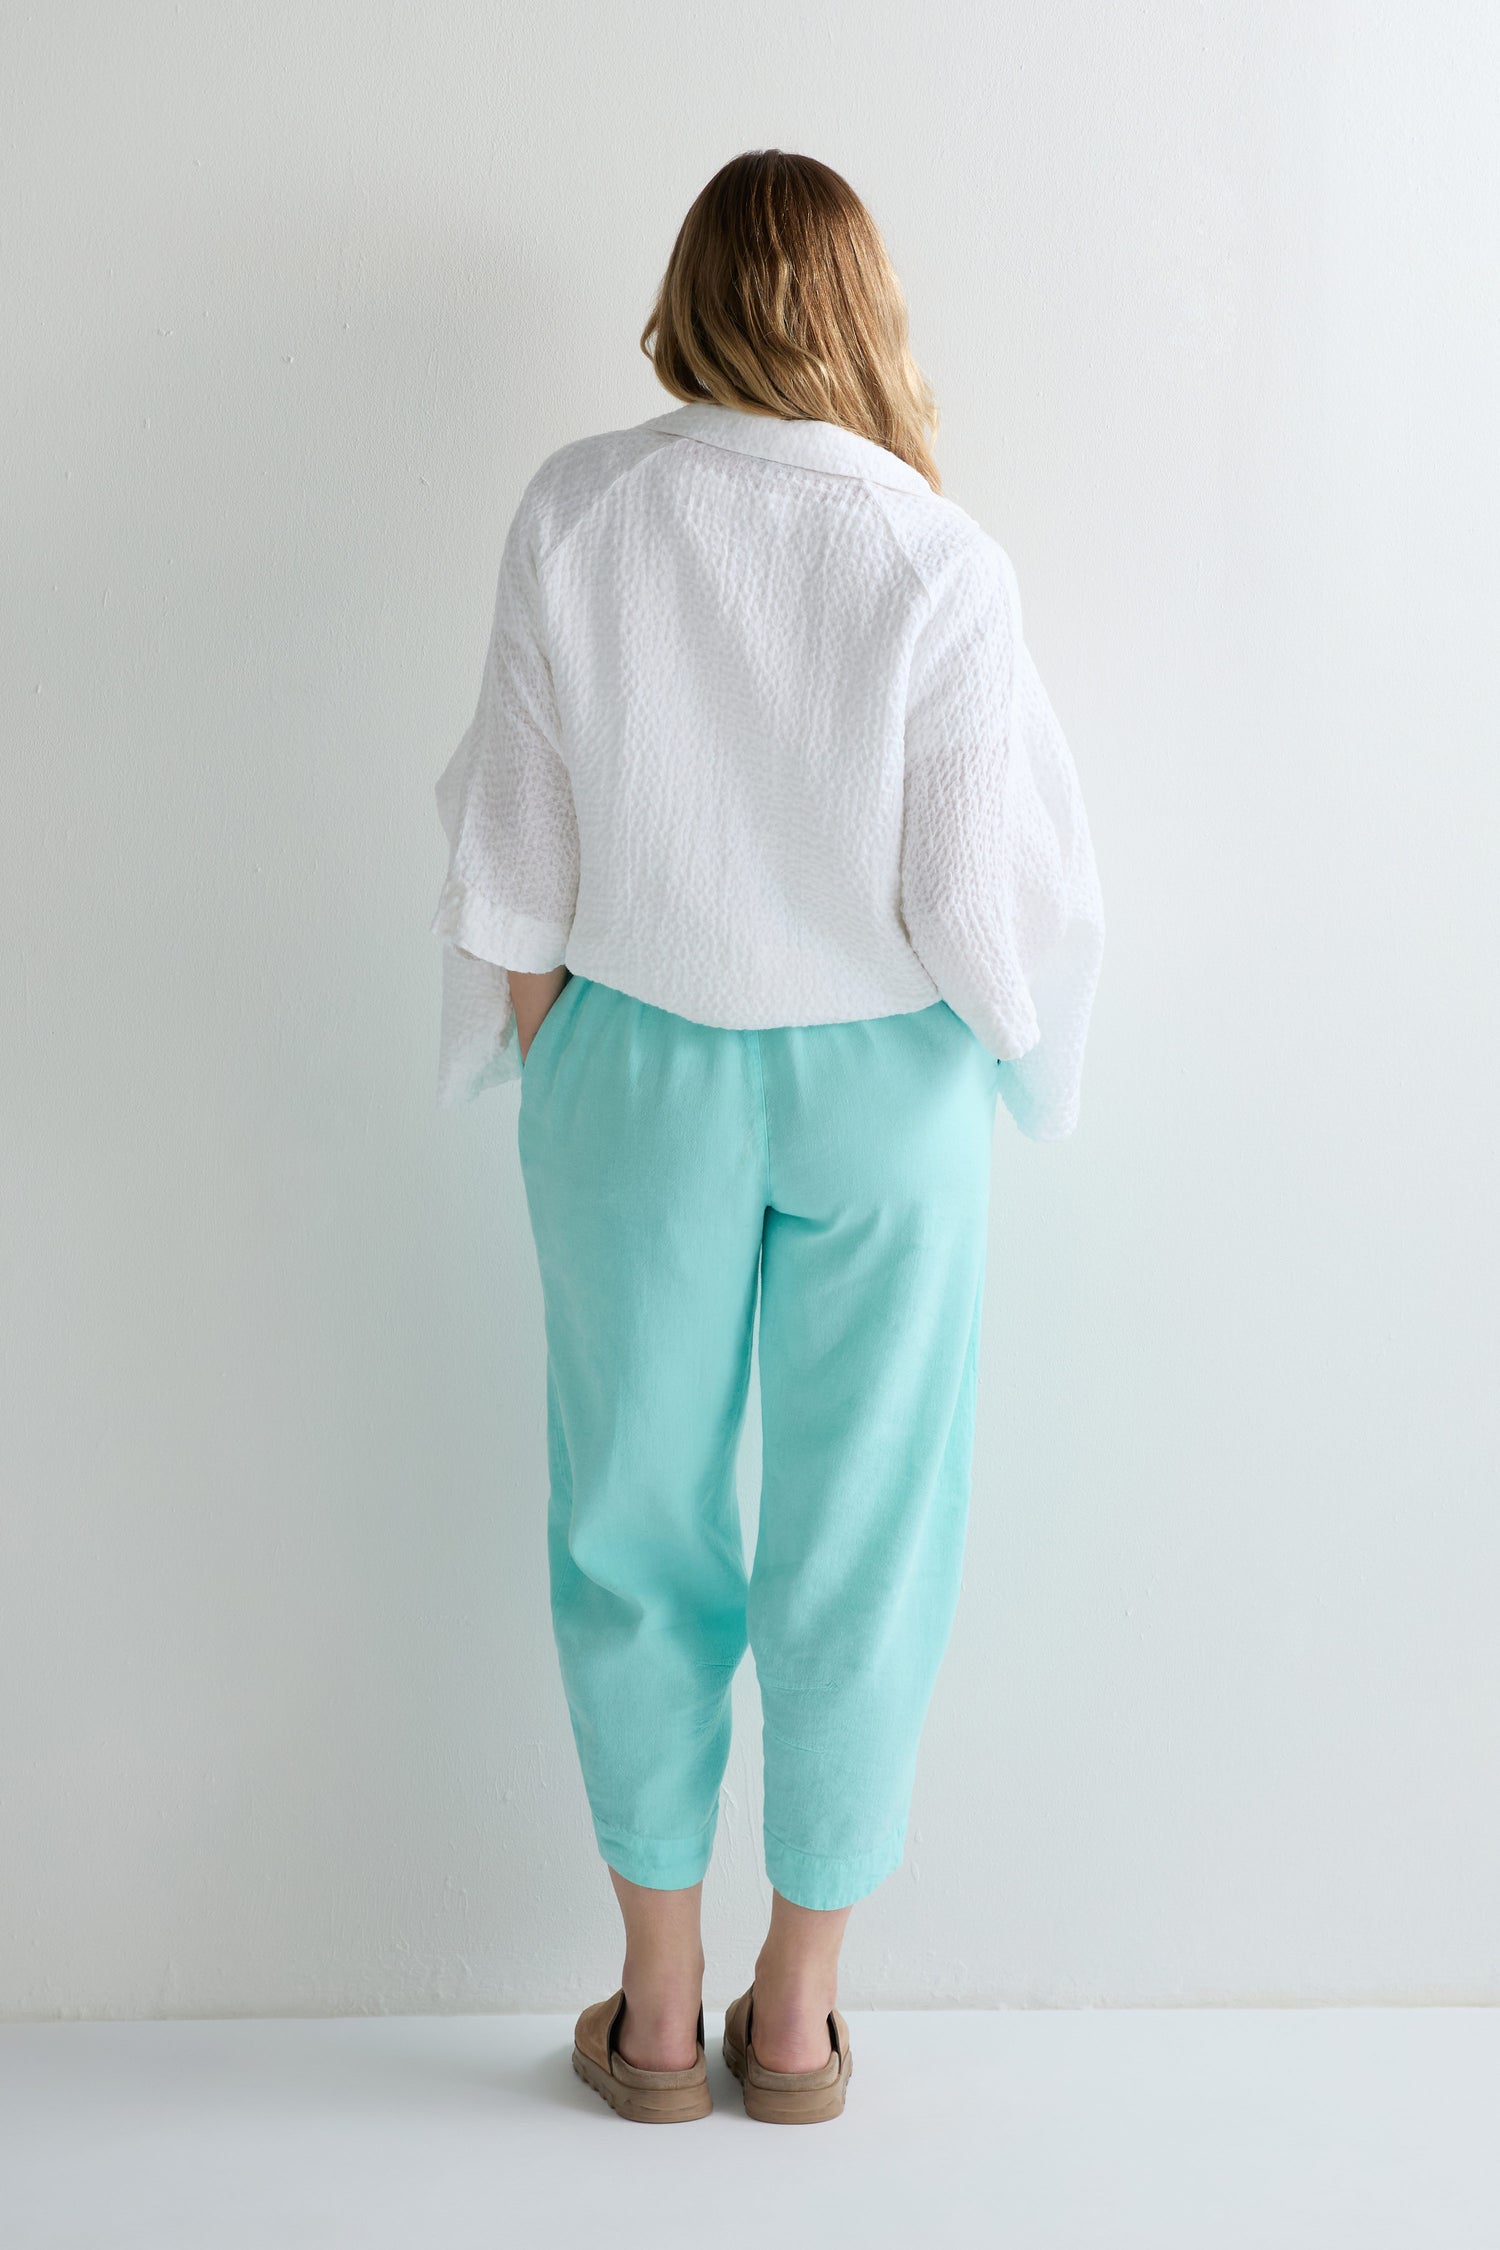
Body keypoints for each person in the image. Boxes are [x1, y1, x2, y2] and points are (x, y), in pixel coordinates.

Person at [429, 149, 1104, 2124]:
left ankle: (653, 2015)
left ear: (691, 293)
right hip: (880, 1078)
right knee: (864, 1538)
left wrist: (559, 1064)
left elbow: (511, 865)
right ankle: (796, 2020)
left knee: (629, 1526)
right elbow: (988, 910)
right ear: (861, 309)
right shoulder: (931, 557)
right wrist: (1013, 1072)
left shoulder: (581, 509)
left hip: (632, 1057)